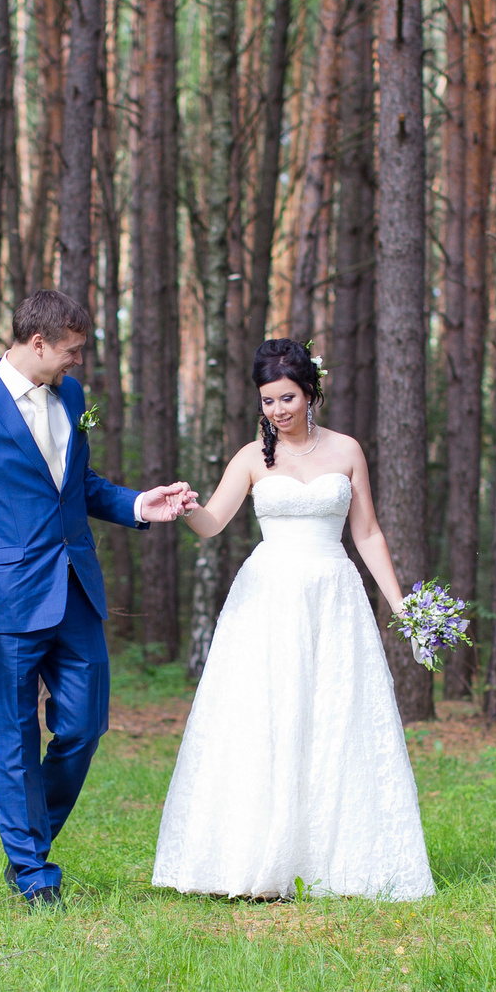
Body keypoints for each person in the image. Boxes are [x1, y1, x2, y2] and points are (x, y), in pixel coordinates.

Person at [0, 291, 199, 905]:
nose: (78, 362)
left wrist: (135, 505)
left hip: (75, 589)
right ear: (38, 342)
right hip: (7, 596)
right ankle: (31, 871)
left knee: (84, 723)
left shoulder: (70, 398)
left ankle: (27, 836)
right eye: (71, 350)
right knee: (15, 736)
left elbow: (77, 486)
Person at [151, 339, 435, 901]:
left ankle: (334, 859)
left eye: (287, 397)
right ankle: (254, 862)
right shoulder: (253, 458)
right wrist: (186, 509)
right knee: (266, 716)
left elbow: (368, 533)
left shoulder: (348, 451)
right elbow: (213, 524)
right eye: (267, 400)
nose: (278, 410)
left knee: (332, 717)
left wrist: (402, 607)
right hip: (269, 596)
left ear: (311, 394)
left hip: (333, 594)